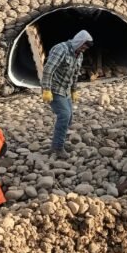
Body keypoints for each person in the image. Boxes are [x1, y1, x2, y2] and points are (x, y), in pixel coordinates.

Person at [41, 30, 93, 158]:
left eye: (86, 48)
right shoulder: (61, 49)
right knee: (64, 115)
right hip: (55, 89)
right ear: (79, 42)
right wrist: (46, 89)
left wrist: (74, 90)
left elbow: (75, 75)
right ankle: (57, 148)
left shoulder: (78, 55)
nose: (84, 50)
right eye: (84, 46)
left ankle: (59, 141)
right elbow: (48, 70)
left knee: (69, 118)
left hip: (66, 90)